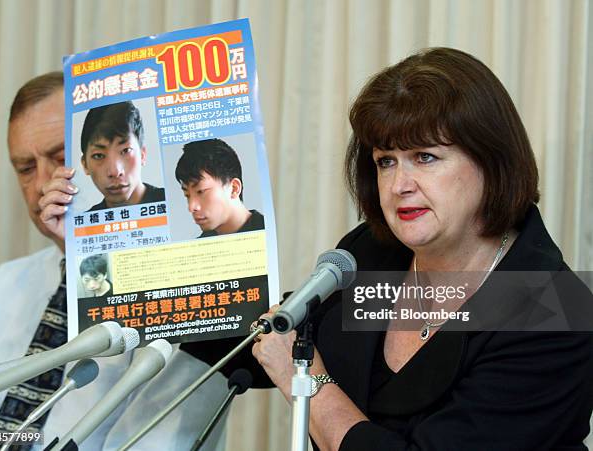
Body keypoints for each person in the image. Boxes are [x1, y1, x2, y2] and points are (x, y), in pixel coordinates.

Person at [179, 47, 593, 450]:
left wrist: (307, 381)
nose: (399, 187)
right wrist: (150, 301)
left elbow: (293, 360)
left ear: (492, 161)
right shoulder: (373, 254)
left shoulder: (555, 312)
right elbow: (271, 335)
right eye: (386, 161)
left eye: (426, 157)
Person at [0, 72, 228, 451]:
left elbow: (155, 441)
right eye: (25, 169)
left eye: (59, 159)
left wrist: (89, 255)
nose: (44, 183)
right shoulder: (6, 281)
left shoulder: (185, 286)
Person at [80, 101, 165, 211]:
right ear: (85, 165)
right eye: (99, 155)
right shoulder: (85, 223)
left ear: (142, 155)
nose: (115, 172)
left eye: (126, 150)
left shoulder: (174, 201)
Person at [175, 138, 264, 237]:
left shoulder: (272, 232)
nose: (191, 207)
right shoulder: (200, 247)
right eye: (187, 195)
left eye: (201, 191)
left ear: (234, 188)